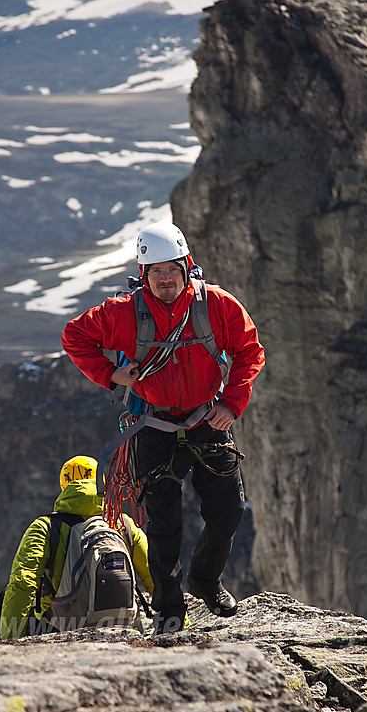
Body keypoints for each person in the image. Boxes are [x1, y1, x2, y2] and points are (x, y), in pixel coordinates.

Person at [61, 222, 265, 634]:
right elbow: (75, 336)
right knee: (163, 522)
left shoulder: (216, 305)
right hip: (152, 425)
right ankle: (170, 610)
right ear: (143, 273)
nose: (165, 278)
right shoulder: (121, 313)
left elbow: (248, 349)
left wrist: (231, 403)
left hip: (208, 418)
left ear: (187, 266)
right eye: (155, 271)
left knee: (228, 511)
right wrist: (111, 375)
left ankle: (204, 580)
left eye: (171, 268)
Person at [0, 455, 154, 639]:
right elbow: (154, 573)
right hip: (123, 625)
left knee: (3, 600)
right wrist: (179, 621)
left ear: (65, 486)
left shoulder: (46, 527)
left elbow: (23, 583)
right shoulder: (123, 523)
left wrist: (11, 641)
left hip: (66, 627)